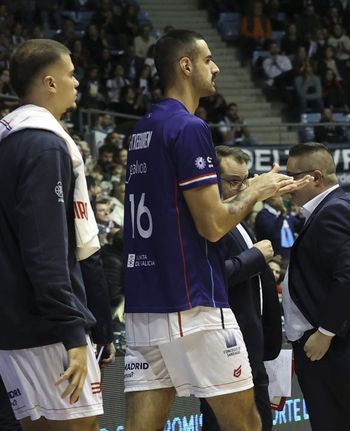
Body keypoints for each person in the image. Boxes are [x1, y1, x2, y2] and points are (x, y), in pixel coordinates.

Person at [122, 30, 307, 431]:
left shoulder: (140, 130)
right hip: (194, 303)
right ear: (186, 66)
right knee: (245, 424)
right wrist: (256, 189)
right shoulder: (189, 128)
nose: (217, 66)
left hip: (144, 302)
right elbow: (212, 225)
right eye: (208, 59)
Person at [0, 39, 107, 430]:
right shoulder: (45, 146)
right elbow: (45, 253)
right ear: (49, 82)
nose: (77, 83)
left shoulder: (7, 142)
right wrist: (73, 334)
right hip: (47, 329)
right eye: (71, 74)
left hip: (11, 331)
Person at [284, 142, 350, 430]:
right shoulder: (336, 206)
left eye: (293, 177)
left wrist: (325, 333)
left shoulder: (333, 211)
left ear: (315, 178)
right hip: (342, 351)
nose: (288, 185)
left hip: (335, 352)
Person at [199, 146, 283, 431]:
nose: (243, 189)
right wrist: (255, 257)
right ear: (211, 180)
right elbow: (213, 275)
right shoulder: (206, 222)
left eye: (246, 181)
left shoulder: (237, 217)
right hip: (225, 342)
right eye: (234, 182)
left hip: (253, 340)